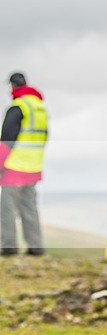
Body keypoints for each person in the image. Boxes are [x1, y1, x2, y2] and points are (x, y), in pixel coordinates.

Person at [1, 72, 48, 256]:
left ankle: (9, 247)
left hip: (14, 166)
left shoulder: (18, 107)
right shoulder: (39, 109)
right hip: (33, 167)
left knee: (7, 208)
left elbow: (6, 141)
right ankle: (36, 247)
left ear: (13, 86)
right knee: (29, 208)